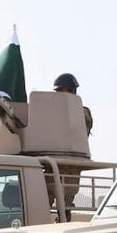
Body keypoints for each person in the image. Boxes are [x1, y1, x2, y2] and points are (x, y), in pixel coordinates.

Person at [48, 73, 93, 217]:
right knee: (43, 200)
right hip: (51, 161)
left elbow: (82, 122)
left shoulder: (82, 111)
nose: (59, 94)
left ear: (73, 91)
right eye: (57, 91)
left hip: (71, 163)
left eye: (62, 90)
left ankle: (64, 221)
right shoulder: (50, 110)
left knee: (66, 202)